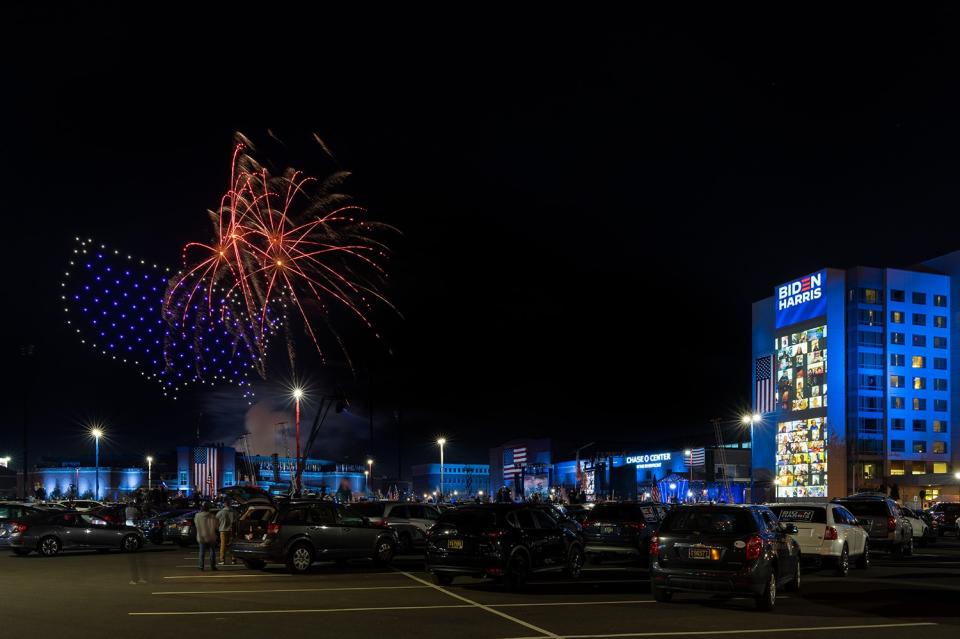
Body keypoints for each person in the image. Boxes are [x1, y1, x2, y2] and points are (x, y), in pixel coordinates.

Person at [194, 502, 219, 571]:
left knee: (201, 552)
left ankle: (201, 566)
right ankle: (213, 566)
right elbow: (217, 527)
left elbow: (196, 524)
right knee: (212, 551)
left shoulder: (197, 516)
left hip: (201, 536)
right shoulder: (212, 516)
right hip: (211, 536)